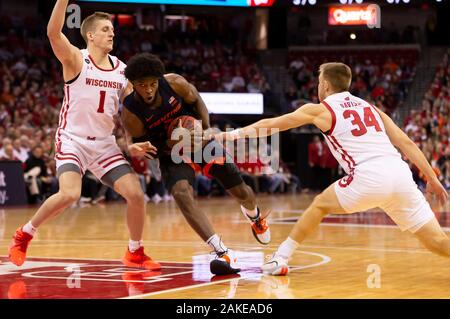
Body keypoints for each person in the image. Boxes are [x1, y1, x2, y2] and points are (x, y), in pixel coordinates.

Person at [219, 62, 449, 275]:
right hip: (400, 175)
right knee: (437, 242)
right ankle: (280, 258)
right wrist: (432, 178)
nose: (318, 87)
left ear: (326, 85)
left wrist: (231, 135)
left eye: (319, 83)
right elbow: (406, 142)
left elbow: (271, 125)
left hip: (368, 175)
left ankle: (280, 258)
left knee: (319, 205)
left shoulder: (321, 109)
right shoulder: (371, 108)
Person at [8, 1, 160, 271]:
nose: (112, 34)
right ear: (90, 35)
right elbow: (53, 33)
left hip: (104, 145)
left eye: (112, 30)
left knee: (136, 195)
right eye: (105, 29)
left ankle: (135, 251)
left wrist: (132, 142)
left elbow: (127, 114)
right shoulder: (76, 59)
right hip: (73, 140)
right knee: (69, 194)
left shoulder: (123, 71)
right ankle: (25, 234)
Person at [121, 53, 271, 275]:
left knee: (242, 191)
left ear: (159, 80)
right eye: (142, 86)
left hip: (200, 140)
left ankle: (255, 216)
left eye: (153, 84)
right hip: (169, 151)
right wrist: (172, 142)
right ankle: (220, 250)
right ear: (133, 85)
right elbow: (148, 147)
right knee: (181, 193)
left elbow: (196, 100)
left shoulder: (175, 83)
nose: (149, 89)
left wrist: (207, 127)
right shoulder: (131, 113)